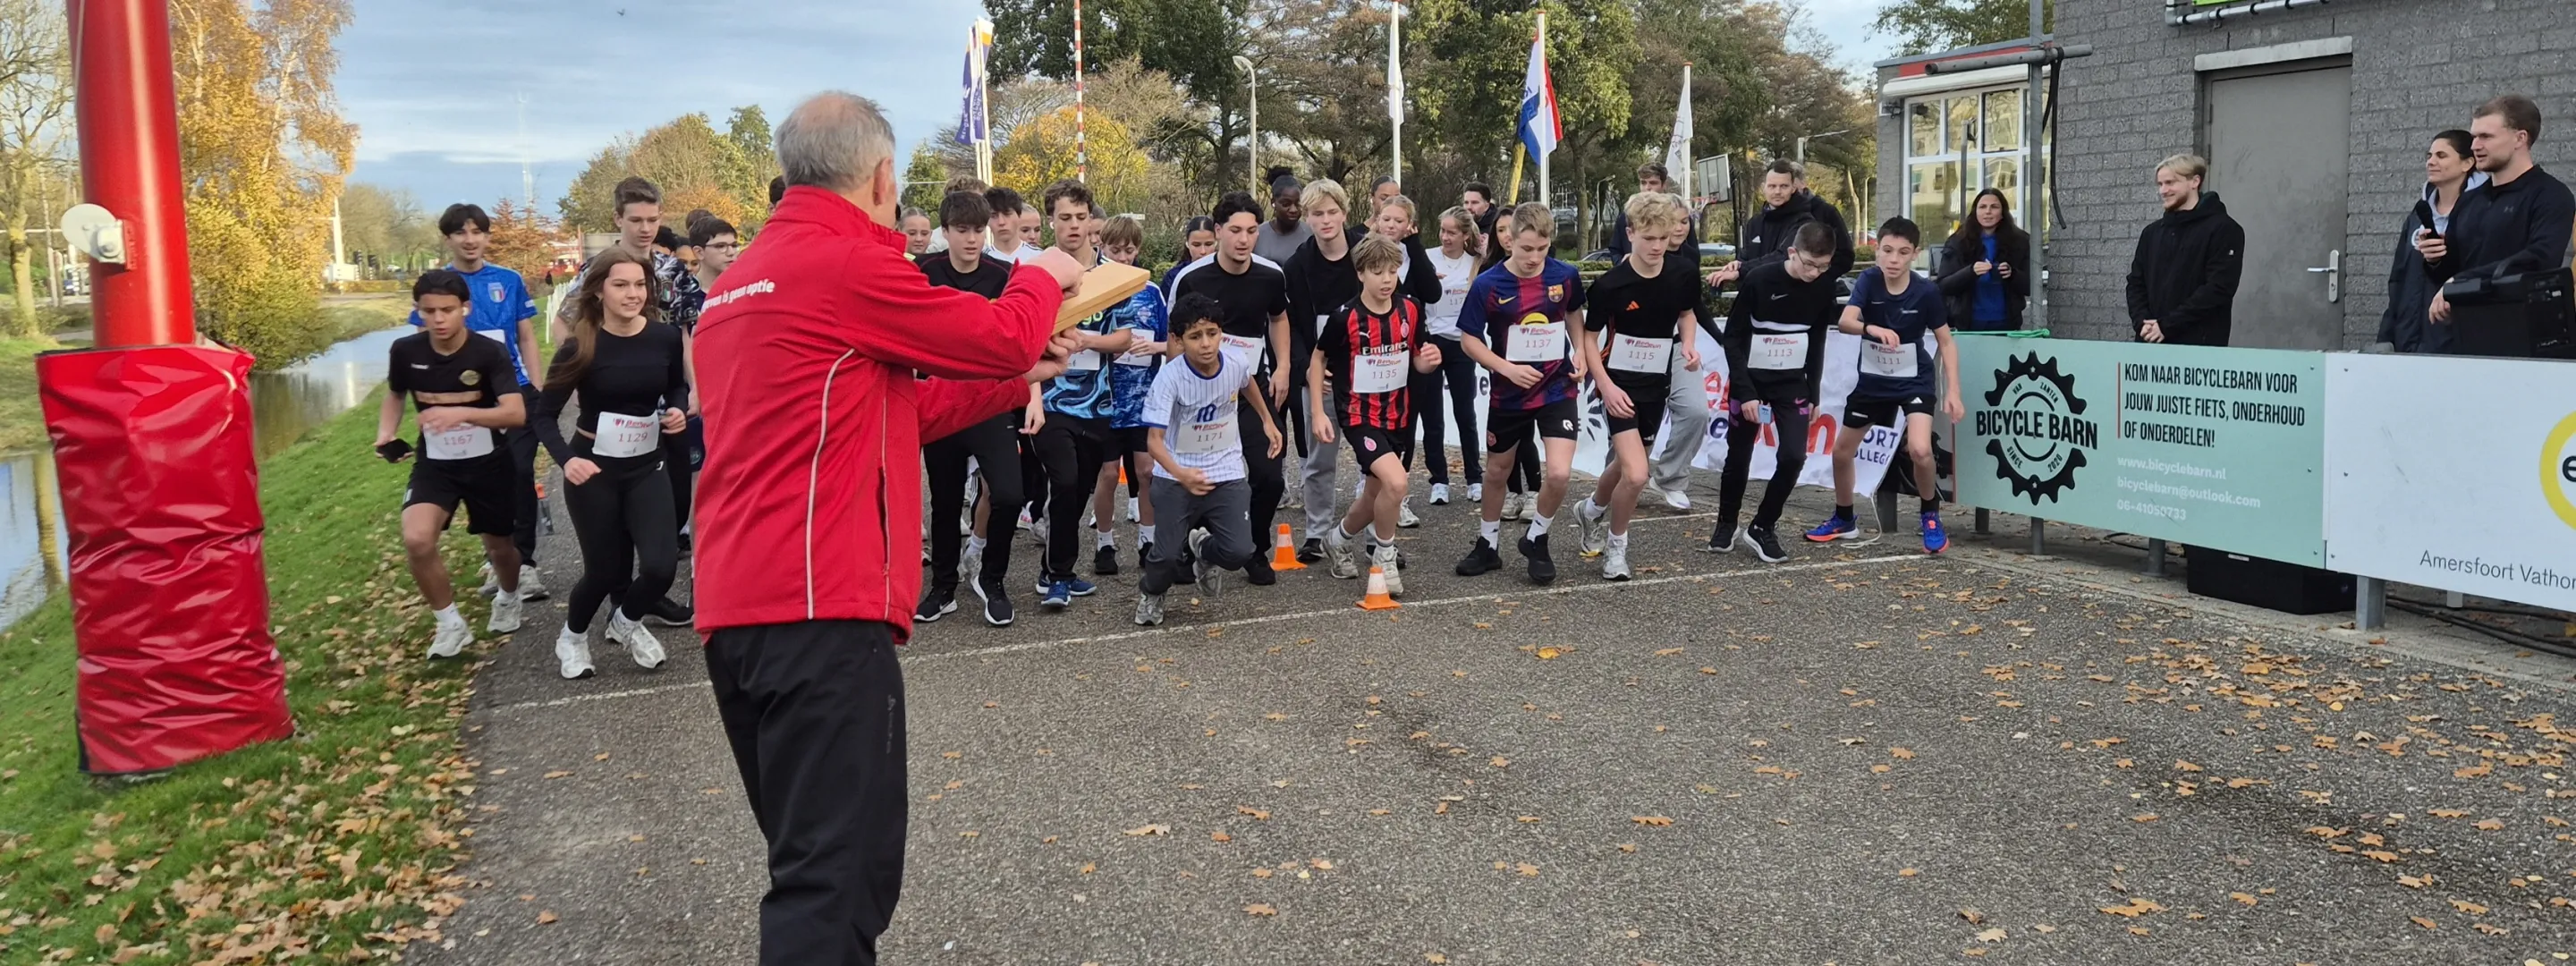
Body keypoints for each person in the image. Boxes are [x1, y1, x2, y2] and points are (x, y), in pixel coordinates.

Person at [691, 91, 1085, 966]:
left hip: (743, 616)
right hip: (817, 612)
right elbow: (994, 336)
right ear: (879, 177)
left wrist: (1016, 377)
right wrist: (1037, 275)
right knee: (832, 889)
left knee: (825, 869)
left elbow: (889, 412)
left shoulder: (738, 286)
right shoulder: (840, 265)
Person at [531, 250, 690, 679]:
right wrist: (566, 461)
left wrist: (677, 410)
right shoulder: (579, 347)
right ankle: (573, 637)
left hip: (647, 466)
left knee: (660, 567)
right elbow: (543, 416)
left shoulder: (665, 338)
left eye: (640, 285)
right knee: (604, 571)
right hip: (594, 469)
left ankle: (626, 622)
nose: (633, 294)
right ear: (599, 291)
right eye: (621, 285)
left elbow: (676, 387)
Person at [380, 269, 526, 658]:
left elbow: (515, 414)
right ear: (419, 313)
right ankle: (450, 624)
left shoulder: (487, 353)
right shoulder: (405, 352)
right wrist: (386, 434)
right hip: (437, 464)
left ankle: (510, 596)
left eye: (447, 310)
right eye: (429, 311)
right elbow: (395, 395)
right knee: (417, 538)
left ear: (466, 308)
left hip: (489, 463)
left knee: (500, 549)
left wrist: (461, 413)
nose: (439, 319)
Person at [411, 204, 550, 604]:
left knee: (520, 470)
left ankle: (524, 564)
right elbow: (423, 344)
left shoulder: (507, 280)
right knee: (481, 477)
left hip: (515, 391)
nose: (470, 240)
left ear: (488, 237)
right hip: (465, 399)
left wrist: (536, 385)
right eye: (461, 233)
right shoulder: (438, 285)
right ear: (449, 238)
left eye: (478, 232)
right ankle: (495, 557)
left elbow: (525, 335)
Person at [1808, 218, 1962, 554]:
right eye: (1887, 251)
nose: (1893, 259)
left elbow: (1946, 343)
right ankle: (1844, 517)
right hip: (1874, 380)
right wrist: (1873, 330)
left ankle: (1930, 514)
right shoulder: (1869, 280)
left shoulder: (1926, 292)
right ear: (1877, 250)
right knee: (1840, 452)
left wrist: (1953, 391)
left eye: (1903, 253)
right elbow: (1847, 321)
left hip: (1913, 379)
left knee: (1920, 449)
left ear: (1914, 254)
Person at [1571, 192, 1703, 580]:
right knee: (1637, 475)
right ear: (1630, 234)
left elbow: (1686, 313)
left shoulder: (1682, 274)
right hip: (1619, 385)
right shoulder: (1611, 285)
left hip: (1655, 385)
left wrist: (1690, 345)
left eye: (1663, 238)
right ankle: (1617, 548)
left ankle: (1591, 509)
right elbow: (1590, 339)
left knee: (1629, 465)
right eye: (1649, 238)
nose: (1657, 246)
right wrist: (1606, 386)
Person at [1452, 202, 1586, 585]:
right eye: (1526, 249)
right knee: (1497, 471)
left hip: (1557, 385)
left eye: (1542, 249)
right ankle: (1487, 545)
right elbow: (1468, 340)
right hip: (1509, 393)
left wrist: (1579, 351)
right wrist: (1505, 367)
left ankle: (1537, 538)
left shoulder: (1565, 275)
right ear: (1509, 240)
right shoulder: (1489, 284)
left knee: (1558, 473)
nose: (1534, 257)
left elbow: (1575, 313)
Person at [1132, 293, 1284, 625]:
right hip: (1176, 475)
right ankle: (1153, 593)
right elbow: (1154, 443)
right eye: (1195, 336)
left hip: (1225, 469)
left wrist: (1267, 421)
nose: (1205, 344)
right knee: (1168, 556)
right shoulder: (1169, 379)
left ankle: (1203, 550)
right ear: (1178, 340)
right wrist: (1181, 474)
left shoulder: (1235, 363)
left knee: (1241, 551)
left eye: (1212, 333)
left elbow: (1247, 384)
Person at [1168, 191, 1295, 584]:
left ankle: (1255, 549)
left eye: (1252, 231)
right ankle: (1193, 544)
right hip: (1202, 392)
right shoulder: (1193, 277)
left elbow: (1279, 318)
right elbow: (1174, 338)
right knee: (1199, 476)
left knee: (1270, 474)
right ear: (1218, 231)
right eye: (1236, 230)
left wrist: (1284, 366)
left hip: (1252, 386)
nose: (1244, 239)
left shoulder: (1271, 274)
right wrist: (1180, 387)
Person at [915, 190, 1029, 627]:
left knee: (1009, 494)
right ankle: (942, 588)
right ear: (945, 233)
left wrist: (1031, 397)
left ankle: (992, 579)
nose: (971, 239)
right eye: (962, 230)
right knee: (944, 501)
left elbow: (1023, 342)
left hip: (990, 399)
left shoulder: (1004, 274)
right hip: (940, 402)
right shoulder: (924, 272)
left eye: (978, 230)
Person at [1309, 234, 1441, 591]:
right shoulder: (1345, 317)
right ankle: (1384, 556)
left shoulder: (1410, 309)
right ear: (1361, 273)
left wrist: (1427, 363)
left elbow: (1415, 357)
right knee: (1397, 483)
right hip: (1359, 415)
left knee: (1374, 495)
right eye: (1377, 271)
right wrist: (1318, 413)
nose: (1386, 279)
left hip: (1398, 414)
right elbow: (1318, 359)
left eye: (1393, 271)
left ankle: (1336, 540)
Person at [1707, 222, 1841, 564]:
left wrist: (1814, 393)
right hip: (1751, 382)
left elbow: (1818, 340)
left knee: (1795, 456)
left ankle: (1763, 525)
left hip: (1791, 384)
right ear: (1793, 253)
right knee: (1739, 457)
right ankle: (1726, 522)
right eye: (1810, 263)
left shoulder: (1824, 287)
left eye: (1823, 266)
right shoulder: (1760, 279)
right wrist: (1747, 392)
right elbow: (1733, 338)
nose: (1815, 272)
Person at [1030, 179, 1134, 609]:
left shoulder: (1110, 274)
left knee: (1081, 490)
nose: (1073, 226)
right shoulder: (1035, 274)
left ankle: (1057, 569)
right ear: (1050, 220)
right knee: (1064, 481)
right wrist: (1033, 397)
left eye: (1080, 217)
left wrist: (1089, 341)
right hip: (1053, 402)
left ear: (1091, 220)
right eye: (1063, 218)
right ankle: (1058, 577)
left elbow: (1126, 337)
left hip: (1100, 405)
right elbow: (1023, 341)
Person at [2427, 95, 2576, 339]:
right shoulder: (2469, 200)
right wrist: (2435, 260)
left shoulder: (2550, 195)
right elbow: (2450, 272)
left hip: (2521, 339)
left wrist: (2461, 281)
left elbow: (2539, 261)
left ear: (2520, 138)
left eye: (2486, 137)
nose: (2475, 145)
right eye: (2474, 136)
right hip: (2463, 337)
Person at [1089, 214, 1170, 575]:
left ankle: (1148, 539)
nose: (1123, 258)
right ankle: (1104, 543)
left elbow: (1174, 344)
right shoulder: (1092, 289)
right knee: (1108, 473)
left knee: (1146, 470)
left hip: (1143, 399)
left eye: (1130, 250)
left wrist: (1154, 347)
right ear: (1101, 248)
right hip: (1104, 400)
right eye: (1115, 250)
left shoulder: (1152, 293)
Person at [2380, 131, 2485, 353]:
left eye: (2441, 155)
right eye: (2429, 155)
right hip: (2407, 336)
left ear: (2467, 163)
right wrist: (2388, 333)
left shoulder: (2482, 213)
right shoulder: (2418, 214)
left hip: (2456, 339)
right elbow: (2398, 278)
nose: (2431, 162)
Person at [2124, 154, 2244, 346]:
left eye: (2170, 183)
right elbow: (2136, 283)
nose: (2163, 190)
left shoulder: (2225, 229)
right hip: (2150, 346)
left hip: (2199, 350)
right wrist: (2142, 323)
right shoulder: (2152, 233)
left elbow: (2218, 289)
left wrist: (2166, 326)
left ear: (2194, 181)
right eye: (2160, 184)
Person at [1415, 206, 1484, 509]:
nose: (1445, 237)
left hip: (1462, 344)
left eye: (1452, 232)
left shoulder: (1475, 263)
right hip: (1431, 341)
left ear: (1465, 235)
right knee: (1432, 416)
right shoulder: (1428, 258)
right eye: (1442, 231)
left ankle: (1474, 478)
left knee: (1465, 413)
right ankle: (1439, 480)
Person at [1716, 160, 1852, 285]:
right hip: (1760, 301)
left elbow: (1783, 257)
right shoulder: (1754, 223)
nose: (1777, 191)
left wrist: (1820, 281)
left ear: (1794, 187)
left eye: (1783, 186)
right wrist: (1737, 270)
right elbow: (1744, 259)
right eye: (1772, 186)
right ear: (1763, 187)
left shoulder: (1806, 220)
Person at [1937, 189, 2032, 333]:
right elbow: (1943, 285)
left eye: (1994, 207)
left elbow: (2030, 286)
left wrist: (2012, 274)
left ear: (2003, 213)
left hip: (2007, 324)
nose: (1988, 212)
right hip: (1968, 324)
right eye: (1982, 207)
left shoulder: (2020, 241)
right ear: (1975, 212)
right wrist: (1970, 272)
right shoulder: (1957, 241)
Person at [1604, 163, 1701, 259]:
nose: (1647, 188)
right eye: (1643, 183)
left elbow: (1692, 250)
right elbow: (1615, 249)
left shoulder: (1679, 213)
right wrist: (1622, 264)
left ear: (1664, 185)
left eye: (1653, 183)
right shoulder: (1627, 216)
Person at [1256, 168, 1313, 267]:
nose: (1293, 210)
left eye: (1298, 204)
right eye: (1286, 204)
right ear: (1273, 202)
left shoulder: (1311, 235)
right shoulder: (1257, 234)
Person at [983, 186, 1040, 265]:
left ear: (1019, 215)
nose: (1001, 222)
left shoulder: (1040, 257)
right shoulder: (981, 261)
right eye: (994, 216)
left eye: (1007, 214)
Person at [1163, 216, 1217, 295]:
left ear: (1216, 243)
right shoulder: (1174, 276)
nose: (1203, 251)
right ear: (1187, 244)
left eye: (1208, 244)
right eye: (1196, 245)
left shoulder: (1228, 272)